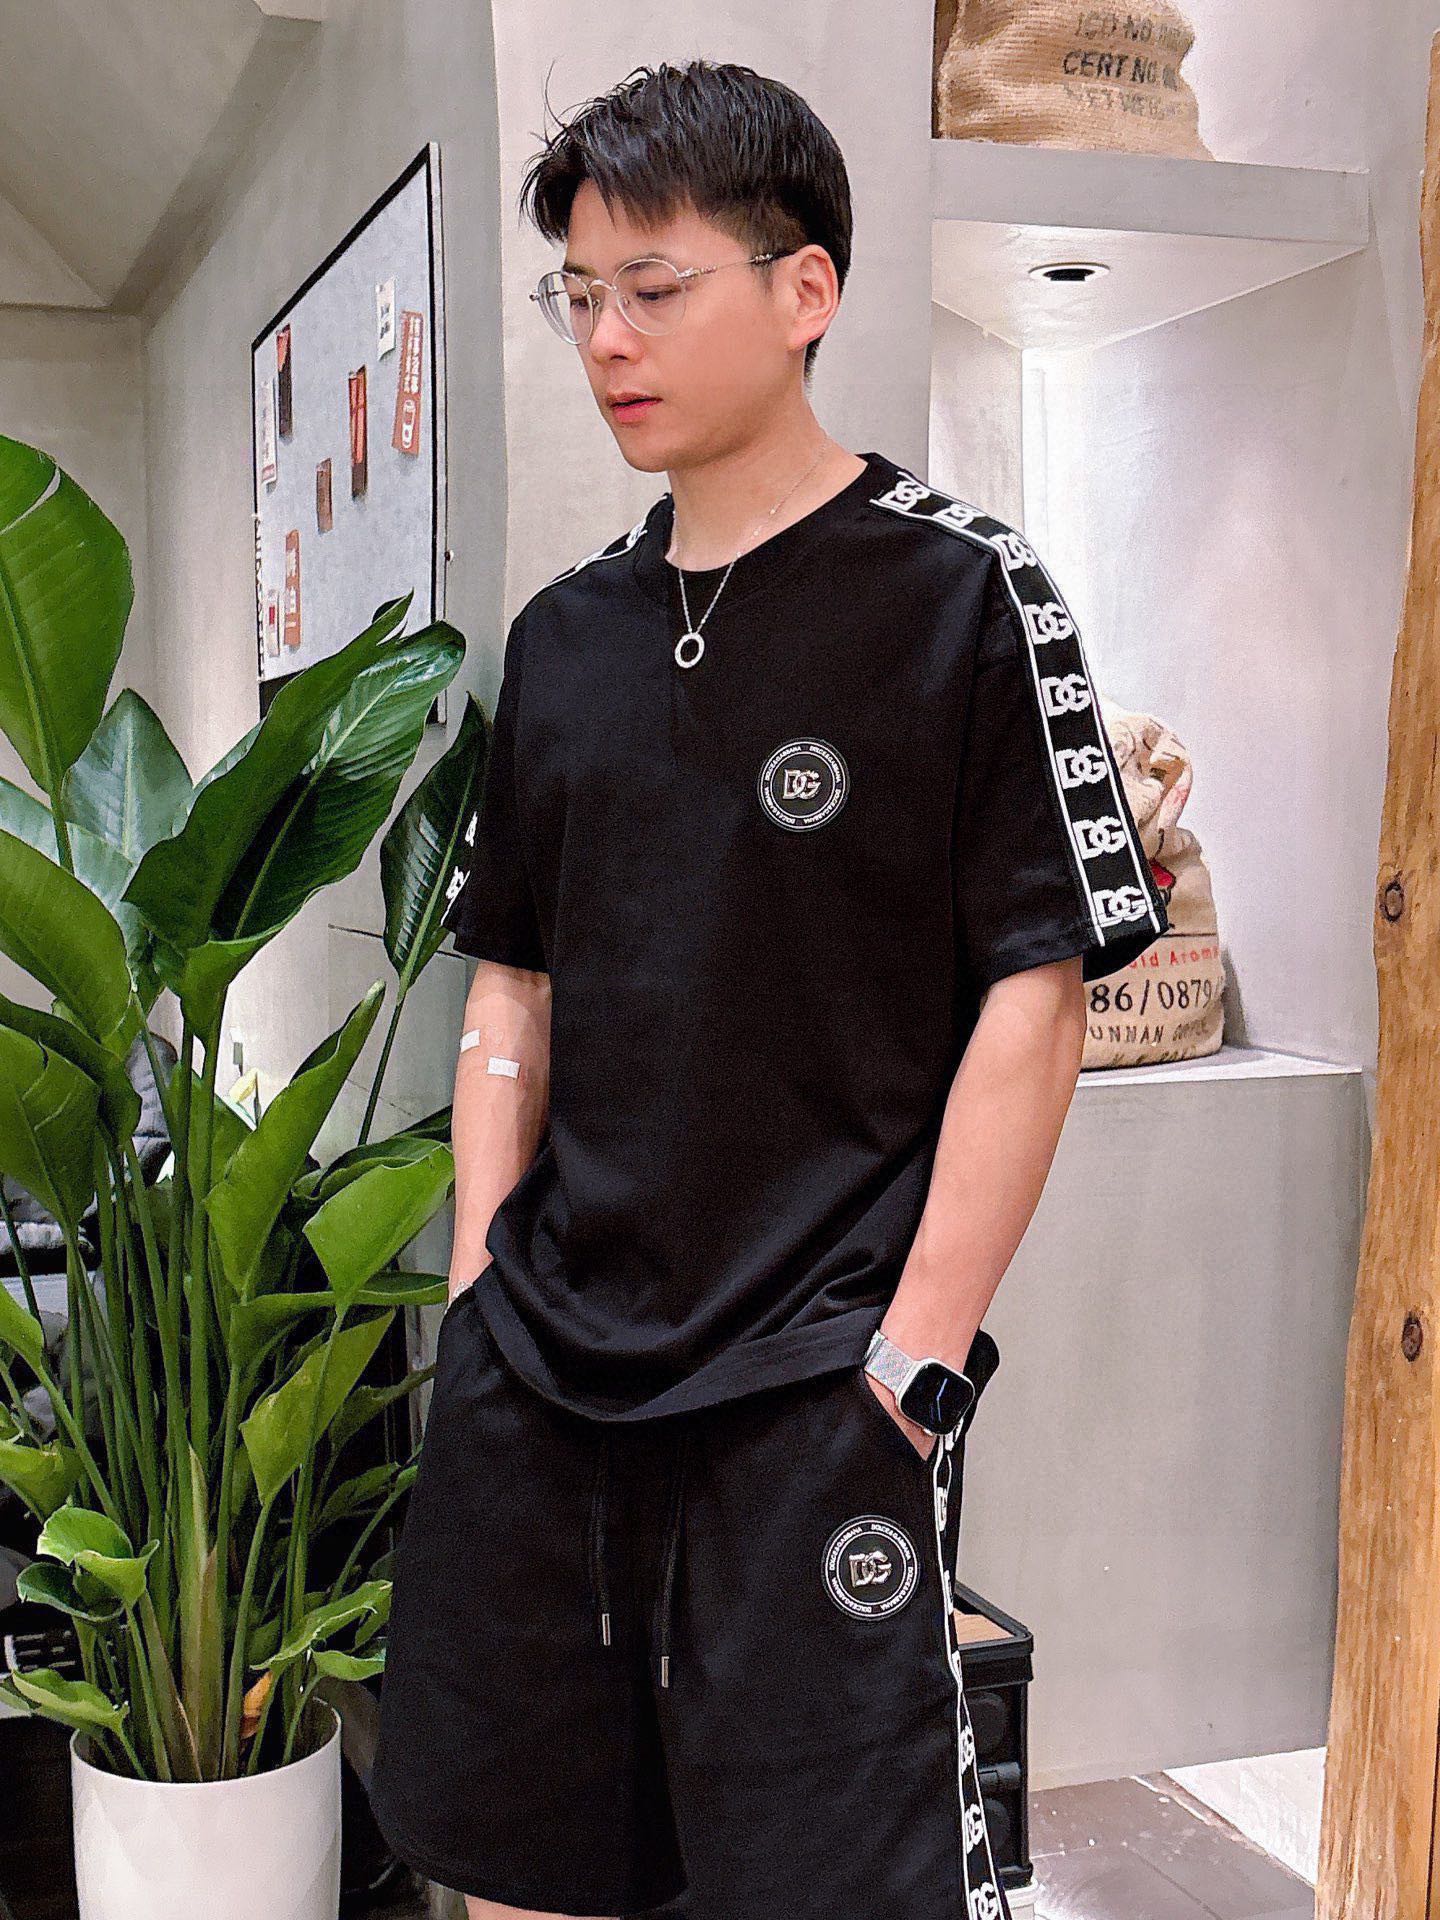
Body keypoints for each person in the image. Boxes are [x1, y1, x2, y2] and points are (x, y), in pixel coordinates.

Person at [369, 57, 1170, 1920]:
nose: (607, 339)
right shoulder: (566, 635)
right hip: (545, 1363)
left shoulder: (964, 596)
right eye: (581, 294)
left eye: (653, 288)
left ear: (805, 288)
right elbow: (513, 983)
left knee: (826, 1876)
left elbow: (1037, 994)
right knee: (516, 1859)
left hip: (817, 1382)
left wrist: (916, 1355)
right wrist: (481, 1277)